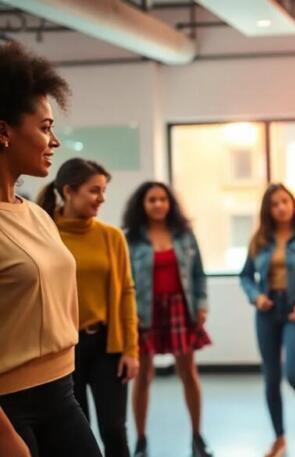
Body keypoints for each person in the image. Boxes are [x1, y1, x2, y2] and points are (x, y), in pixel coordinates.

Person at [0, 42, 102, 457]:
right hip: (9, 409)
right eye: (44, 127)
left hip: (61, 394)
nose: (54, 140)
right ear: (4, 132)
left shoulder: (38, 216)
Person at [36, 158, 138, 457]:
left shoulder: (112, 236)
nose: (101, 198)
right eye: (94, 191)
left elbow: (126, 293)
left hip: (107, 344)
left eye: (103, 191)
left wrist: (131, 350)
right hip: (63, 347)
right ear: (68, 191)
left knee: (114, 430)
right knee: (75, 435)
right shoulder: (45, 232)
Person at [123, 182, 213, 457]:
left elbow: (198, 274)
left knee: (188, 373)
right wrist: (129, 313)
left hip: (180, 308)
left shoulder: (184, 235)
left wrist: (201, 305)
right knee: (143, 376)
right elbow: (125, 280)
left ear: (170, 203)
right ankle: (141, 442)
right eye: (152, 200)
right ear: (142, 204)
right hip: (144, 311)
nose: (158, 204)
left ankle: (197, 438)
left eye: (163, 199)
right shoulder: (131, 239)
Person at [239, 183, 295, 457]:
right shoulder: (259, 240)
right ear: (268, 210)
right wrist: (256, 297)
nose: (280, 208)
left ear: (293, 204)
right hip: (267, 310)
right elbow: (245, 276)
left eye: (285, 202)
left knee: (294, 374)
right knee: (271, 378)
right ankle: (279, 439)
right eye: (274, 204)